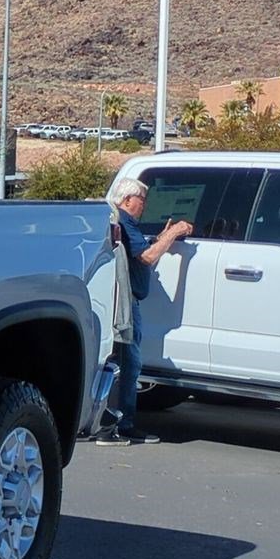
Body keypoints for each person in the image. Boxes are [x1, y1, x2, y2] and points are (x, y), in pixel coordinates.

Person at [97, 175, 192, 445]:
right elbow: (147, 257)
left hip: (125, 301)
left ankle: (113, 421)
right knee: (128, 363)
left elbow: (146, 251)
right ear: (127, 199)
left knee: (122, 362)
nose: (144, 205)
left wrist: (162, 238)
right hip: (125, 303)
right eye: (142, 199)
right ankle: (121, 424)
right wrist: (173, 234)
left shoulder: (125, 224)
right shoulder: (125, 223)